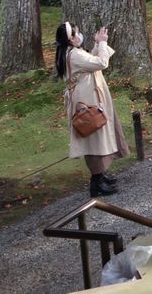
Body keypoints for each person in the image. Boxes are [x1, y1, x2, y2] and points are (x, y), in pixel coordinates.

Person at [56, 21, 129, 198]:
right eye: (77, 33)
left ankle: (101, 176)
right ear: (71, 39)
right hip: (87, 101)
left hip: (88, 98)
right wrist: (103, 42)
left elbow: (91, 62)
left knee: (97, 136)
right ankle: (96, 183)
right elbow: (101, 63)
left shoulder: (73, 53)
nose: (80, 35)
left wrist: (97, 43)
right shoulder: (73, 55)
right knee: (93, 138)